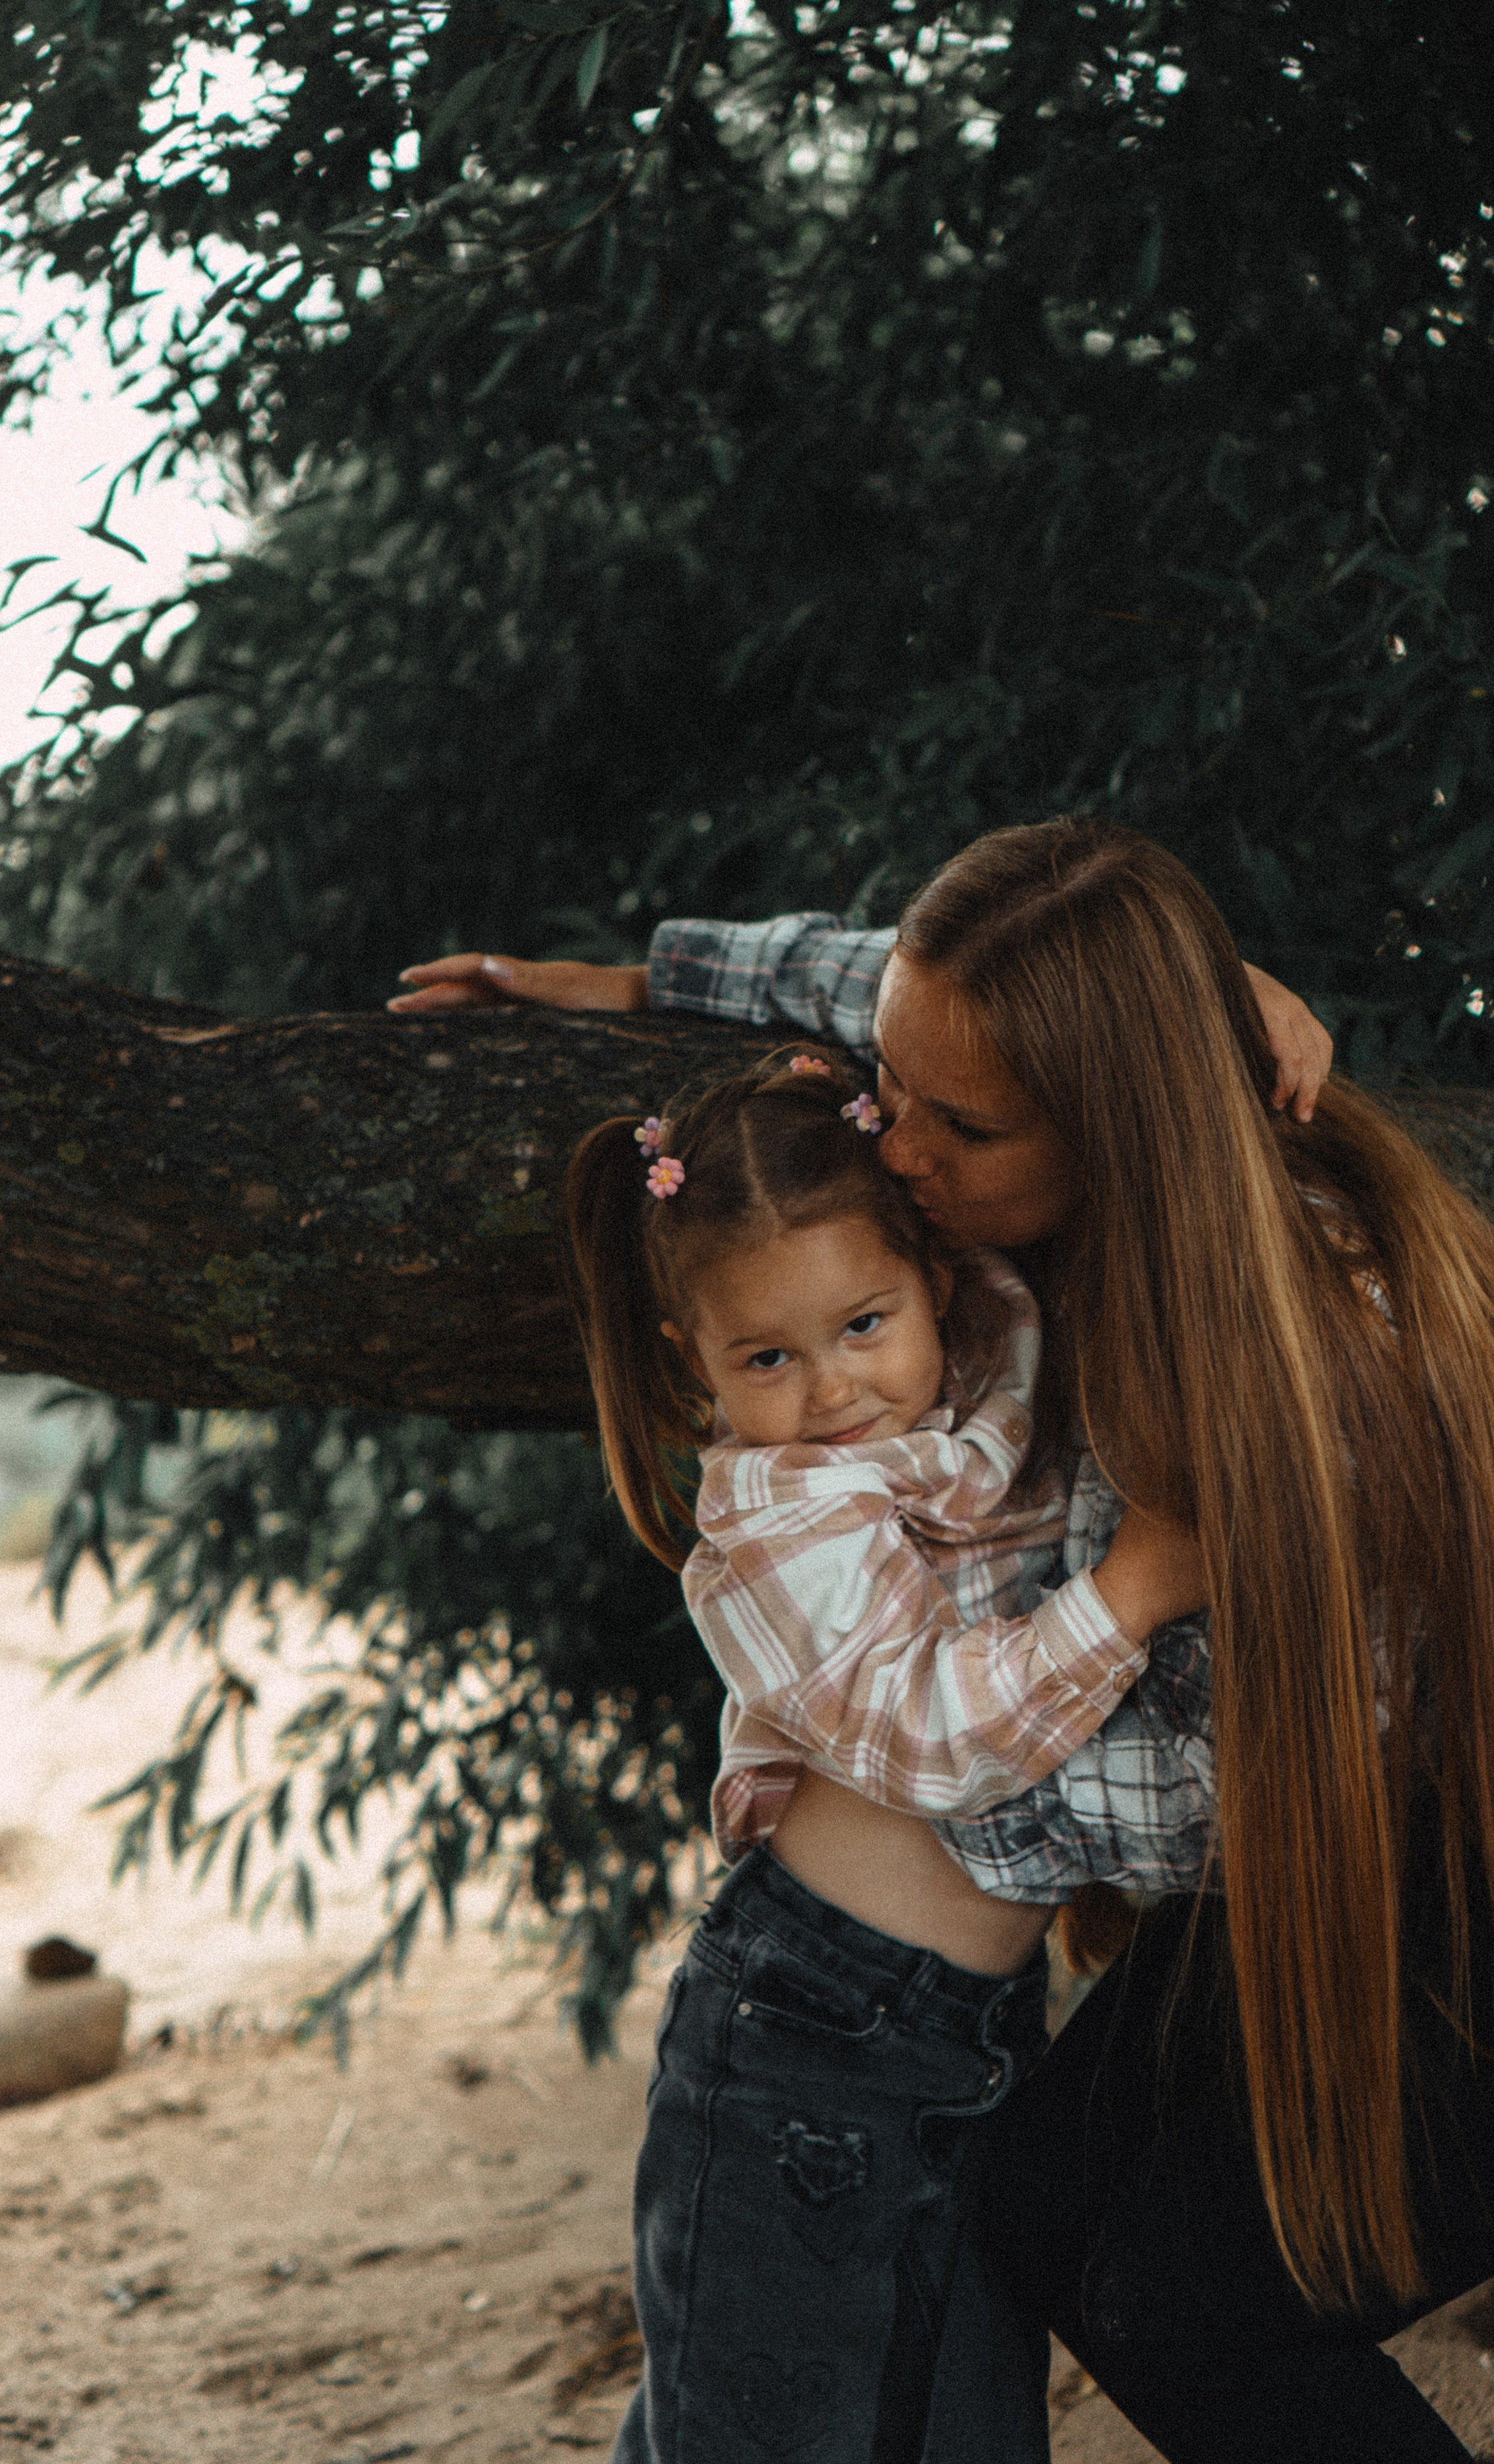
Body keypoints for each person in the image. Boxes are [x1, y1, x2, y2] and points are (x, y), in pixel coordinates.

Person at [398, 818, 1494, 2463]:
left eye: (959, 1123)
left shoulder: (1292, 1364)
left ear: (1117, 1118)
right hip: (1378, 1806)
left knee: (1189, 2305)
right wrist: (640, 974)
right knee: (1034, 2201)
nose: (894, 1145)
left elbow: (1260, 1790)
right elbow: (903, 994)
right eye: (892, 1085)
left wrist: (905, 1816)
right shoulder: (1027, 1165)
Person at [562, 1040, 1205, 2464]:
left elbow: (1005, 1021)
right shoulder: (774, 1522)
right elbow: (938, 1742)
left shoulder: (992, 1359)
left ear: (934, 1271)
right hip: (804, 2034)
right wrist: (1137, 1589)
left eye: (861, 1324)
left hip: (974, 2033)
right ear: (697, 1363)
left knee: (961, 2434)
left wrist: (1234, 1004)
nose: (835, 1389)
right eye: (767, 1359)